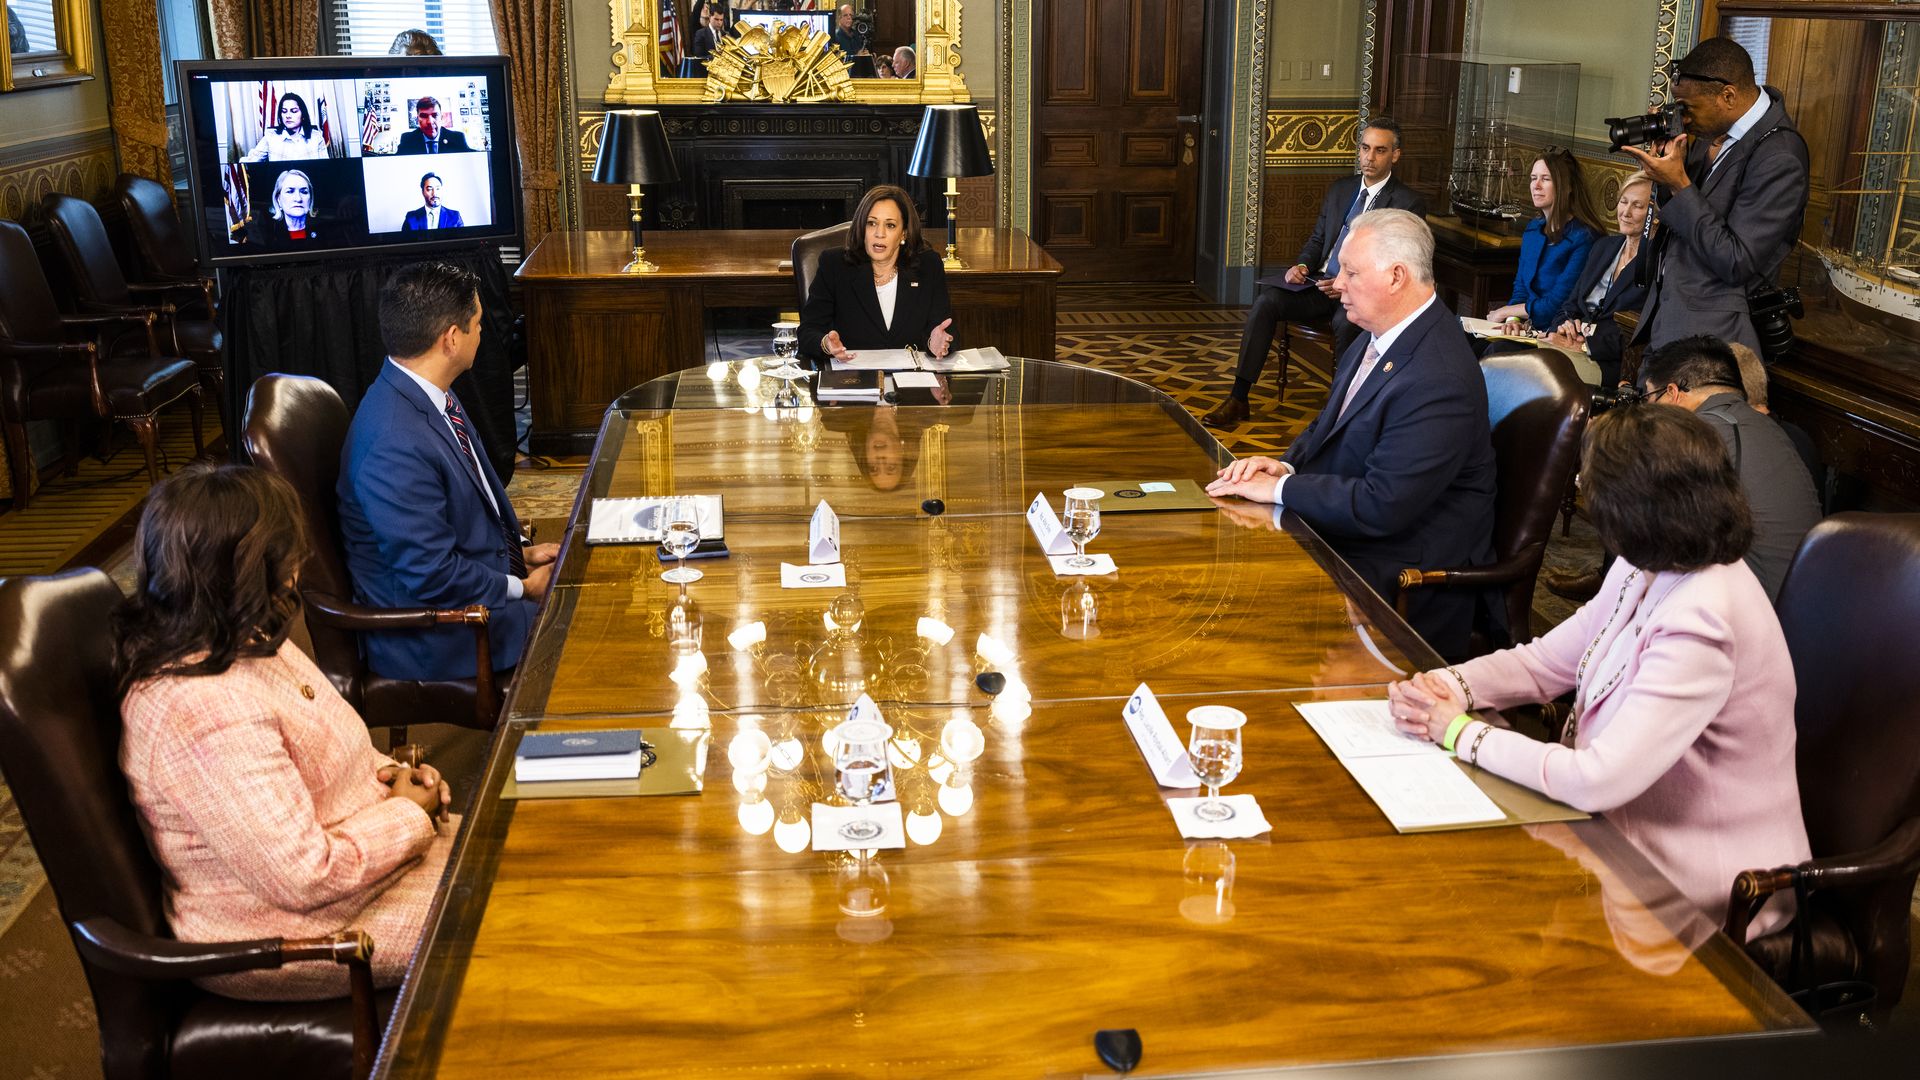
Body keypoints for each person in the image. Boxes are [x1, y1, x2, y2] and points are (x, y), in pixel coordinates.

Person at [1386, 404, 1811, 939]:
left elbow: (1597, 780)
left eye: (1588, 485)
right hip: (1625, 829)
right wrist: (1449, 685)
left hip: (1703, 877)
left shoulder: (1704, 618)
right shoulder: (1650, 561)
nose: (1583, 491)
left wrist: (1456, 730)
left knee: (1474, 904)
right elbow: (1548, 660)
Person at [115, 464, 456, 1000]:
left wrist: (393, 779)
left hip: (356, 882)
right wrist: (408, 813)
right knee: (516, 923)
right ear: (248, 568)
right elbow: (302, 876)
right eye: (286, 553)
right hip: (290, 932)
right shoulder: (200, 706)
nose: (300, 561)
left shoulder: (242, 635)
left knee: (537, 864)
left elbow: (322, 748)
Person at [1206, 209, 1498, 660]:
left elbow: (1382, 506)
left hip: (1402, 568)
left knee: (1246, 605)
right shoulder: (1379, 332)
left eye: (1351, 271)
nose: (1336, 282)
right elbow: (1329, 423)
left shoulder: (1437, 377)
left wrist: (1282, 488)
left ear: (1396, 276)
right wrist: (1284, 465)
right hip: (1357, 532)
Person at [337, 262, 560, 681]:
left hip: (468, 595)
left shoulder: (423, 392)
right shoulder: (394, 442)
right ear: (452, 339)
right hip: (442, 633)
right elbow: (431, 574)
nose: (484, 333)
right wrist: (522, 587)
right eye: (478, 324)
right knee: (591, 623)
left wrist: (520, 557)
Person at [1202, 117, 1426, 429]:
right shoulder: (1341, 189)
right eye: (1364, 149)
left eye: (1379, 151)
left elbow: (1395, 263)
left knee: (1345, 324)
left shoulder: (1407, 203)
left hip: (1361, 294)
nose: (1369, 158)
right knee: (1267, 303)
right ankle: (1239, 398)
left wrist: (1348, 282)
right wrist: (1303, 265)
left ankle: (1339, 413)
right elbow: (1319, 239)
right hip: (1317, 285)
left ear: (1395, 155)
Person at [1621, 36, 1809, 356]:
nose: (1686, 118)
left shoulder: (1780, 156)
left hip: (1713, 339)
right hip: (1669, 318)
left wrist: (1679, 184)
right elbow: (1684, 218)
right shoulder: (1711, 131)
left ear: (1728, 95)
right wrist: (1665, 177)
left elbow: (1736, 261)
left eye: (1689, 108)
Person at [1635, 336, 1820, 600]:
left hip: (1754, 613)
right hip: (1796, 607)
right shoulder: (1765, 427)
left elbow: (1651, 530)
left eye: (1650, 398)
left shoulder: (1702, 432)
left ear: (1673, 393)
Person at [799, 183, 954, 362]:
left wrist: (935, 341)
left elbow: (946, 328)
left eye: (890, 225)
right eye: (871, 223)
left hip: (912, 381)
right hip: (854, 379)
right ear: (862, 228)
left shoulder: (928, 266)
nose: (879, 233)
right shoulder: (835, 265)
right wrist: (826, 343)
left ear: (903, 233)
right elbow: (807, 332)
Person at [1542, 171, 1655, 388]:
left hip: (1609, 363)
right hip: (1568, 345)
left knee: (1540, 372)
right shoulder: (1603, 247)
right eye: (1623, 202)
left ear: (1654, 215)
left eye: (1638, 206)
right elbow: (1569, 305)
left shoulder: (1656, 264)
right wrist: (1563, 326)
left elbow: (1642, 332)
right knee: (1499, 351)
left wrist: (1585, 344)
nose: (1626, 212)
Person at [1485, 147, 1600, 330]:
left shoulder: (1584, 238)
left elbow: (1555, 305)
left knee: (1491, 352)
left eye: (1545, 179)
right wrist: (1512, 321)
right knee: (1466, 340)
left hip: (1556, 332)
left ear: (1567, 186)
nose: (1536, 185)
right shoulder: (1533, 229)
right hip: (1526, 327)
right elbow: (1521, 288)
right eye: (1533, 178)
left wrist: (1505, 312)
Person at [239, 92, 331, 162]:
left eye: (293, 111)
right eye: (284, 111)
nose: (288, 115)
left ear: (303, 114)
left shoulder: (316, 136)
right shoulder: (271, 136)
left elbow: (325, 167)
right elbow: (250, 161)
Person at [248, 168, 321, 246]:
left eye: (304, 192)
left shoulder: (322, 231)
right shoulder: (268, 235)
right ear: (278, 199)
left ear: (310, 199)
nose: (298, 198)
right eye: (290, 191)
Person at [395, 96, 471, 155]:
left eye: (435, 115)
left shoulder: (457, 138)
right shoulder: (407, 139)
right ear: (418, 119)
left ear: (441, 117)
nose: (430, 122)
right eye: (424, 116)